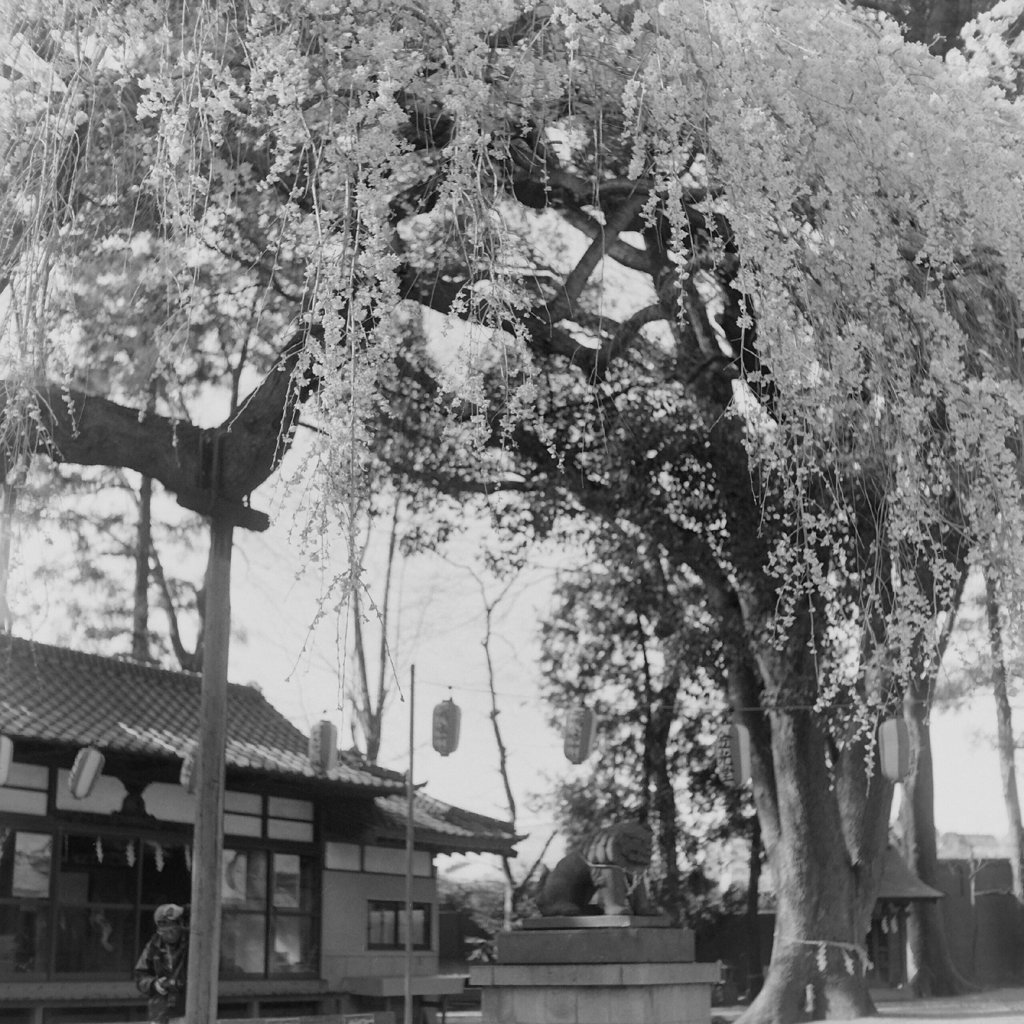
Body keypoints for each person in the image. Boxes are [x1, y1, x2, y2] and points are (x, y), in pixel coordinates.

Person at [134, 903, 189, 1024]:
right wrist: (155, 984)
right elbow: (140, 976)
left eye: (173, 927)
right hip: (160, 1012)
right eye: (164, 929)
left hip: (187, 1009)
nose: (169, 933)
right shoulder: (153, 946)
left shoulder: (191, 943)